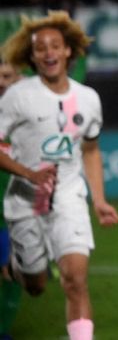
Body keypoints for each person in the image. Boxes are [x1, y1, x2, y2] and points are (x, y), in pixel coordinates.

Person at [0, 11, 118, 340]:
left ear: (68, 50)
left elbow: (91, 150)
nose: (49, 53)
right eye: (40, 48)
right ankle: (15, 268)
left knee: (75, 280)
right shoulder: (17, 97)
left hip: (69, 199)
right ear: (32, 56)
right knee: (36, 285)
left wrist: (99, 200)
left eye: (55, 46)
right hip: (25, 202)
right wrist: (28, 173)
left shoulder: (88, 98)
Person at [0, 62, 23, 340]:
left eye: (7, 76)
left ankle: (3, 330)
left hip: (13, 213)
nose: (1, 82)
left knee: (13, 274)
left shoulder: (28, 118)